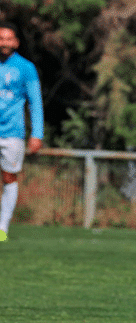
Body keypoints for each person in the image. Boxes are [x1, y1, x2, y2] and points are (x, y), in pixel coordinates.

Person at [0, 21, 44, 236]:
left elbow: (35, 102)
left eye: (8, 38)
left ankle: (2, 228)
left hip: (13, 132)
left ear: (15, 42)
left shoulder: (26, 68)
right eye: (1, 38)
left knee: (9, 178)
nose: (4, 42)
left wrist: (37, 134)